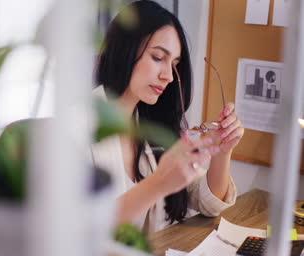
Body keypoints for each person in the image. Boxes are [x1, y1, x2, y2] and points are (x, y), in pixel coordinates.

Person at [92, 0, 244, 233]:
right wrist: (159, 183)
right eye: (158, 57)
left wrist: (223, 149)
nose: (168, 77)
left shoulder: (150, 126)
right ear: (124, 50)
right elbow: (83, 230)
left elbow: (207, 202)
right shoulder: (78, 128)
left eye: (174, 65)